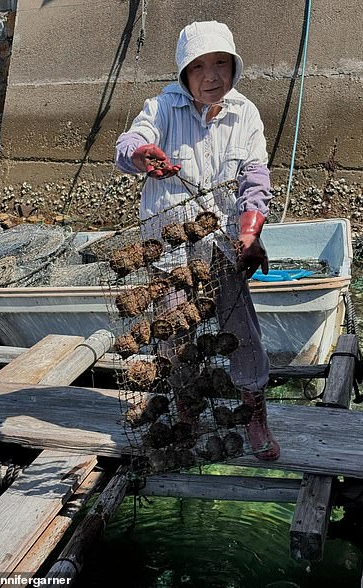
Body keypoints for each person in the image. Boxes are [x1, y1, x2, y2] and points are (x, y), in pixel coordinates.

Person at [115, 21, 280, 460]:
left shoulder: (245, 113)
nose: (212, 76)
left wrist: (250, 231)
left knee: (241, 331)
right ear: (185, 73)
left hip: (223, 249)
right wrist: (139, 154)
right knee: (174, 336)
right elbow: (130, 142)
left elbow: (255, 178)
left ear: (234, 67)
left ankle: (254, 414)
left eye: (221, 64)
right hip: (169, 252)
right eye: (200, 67)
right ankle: (187, 414)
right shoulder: (162, 108)